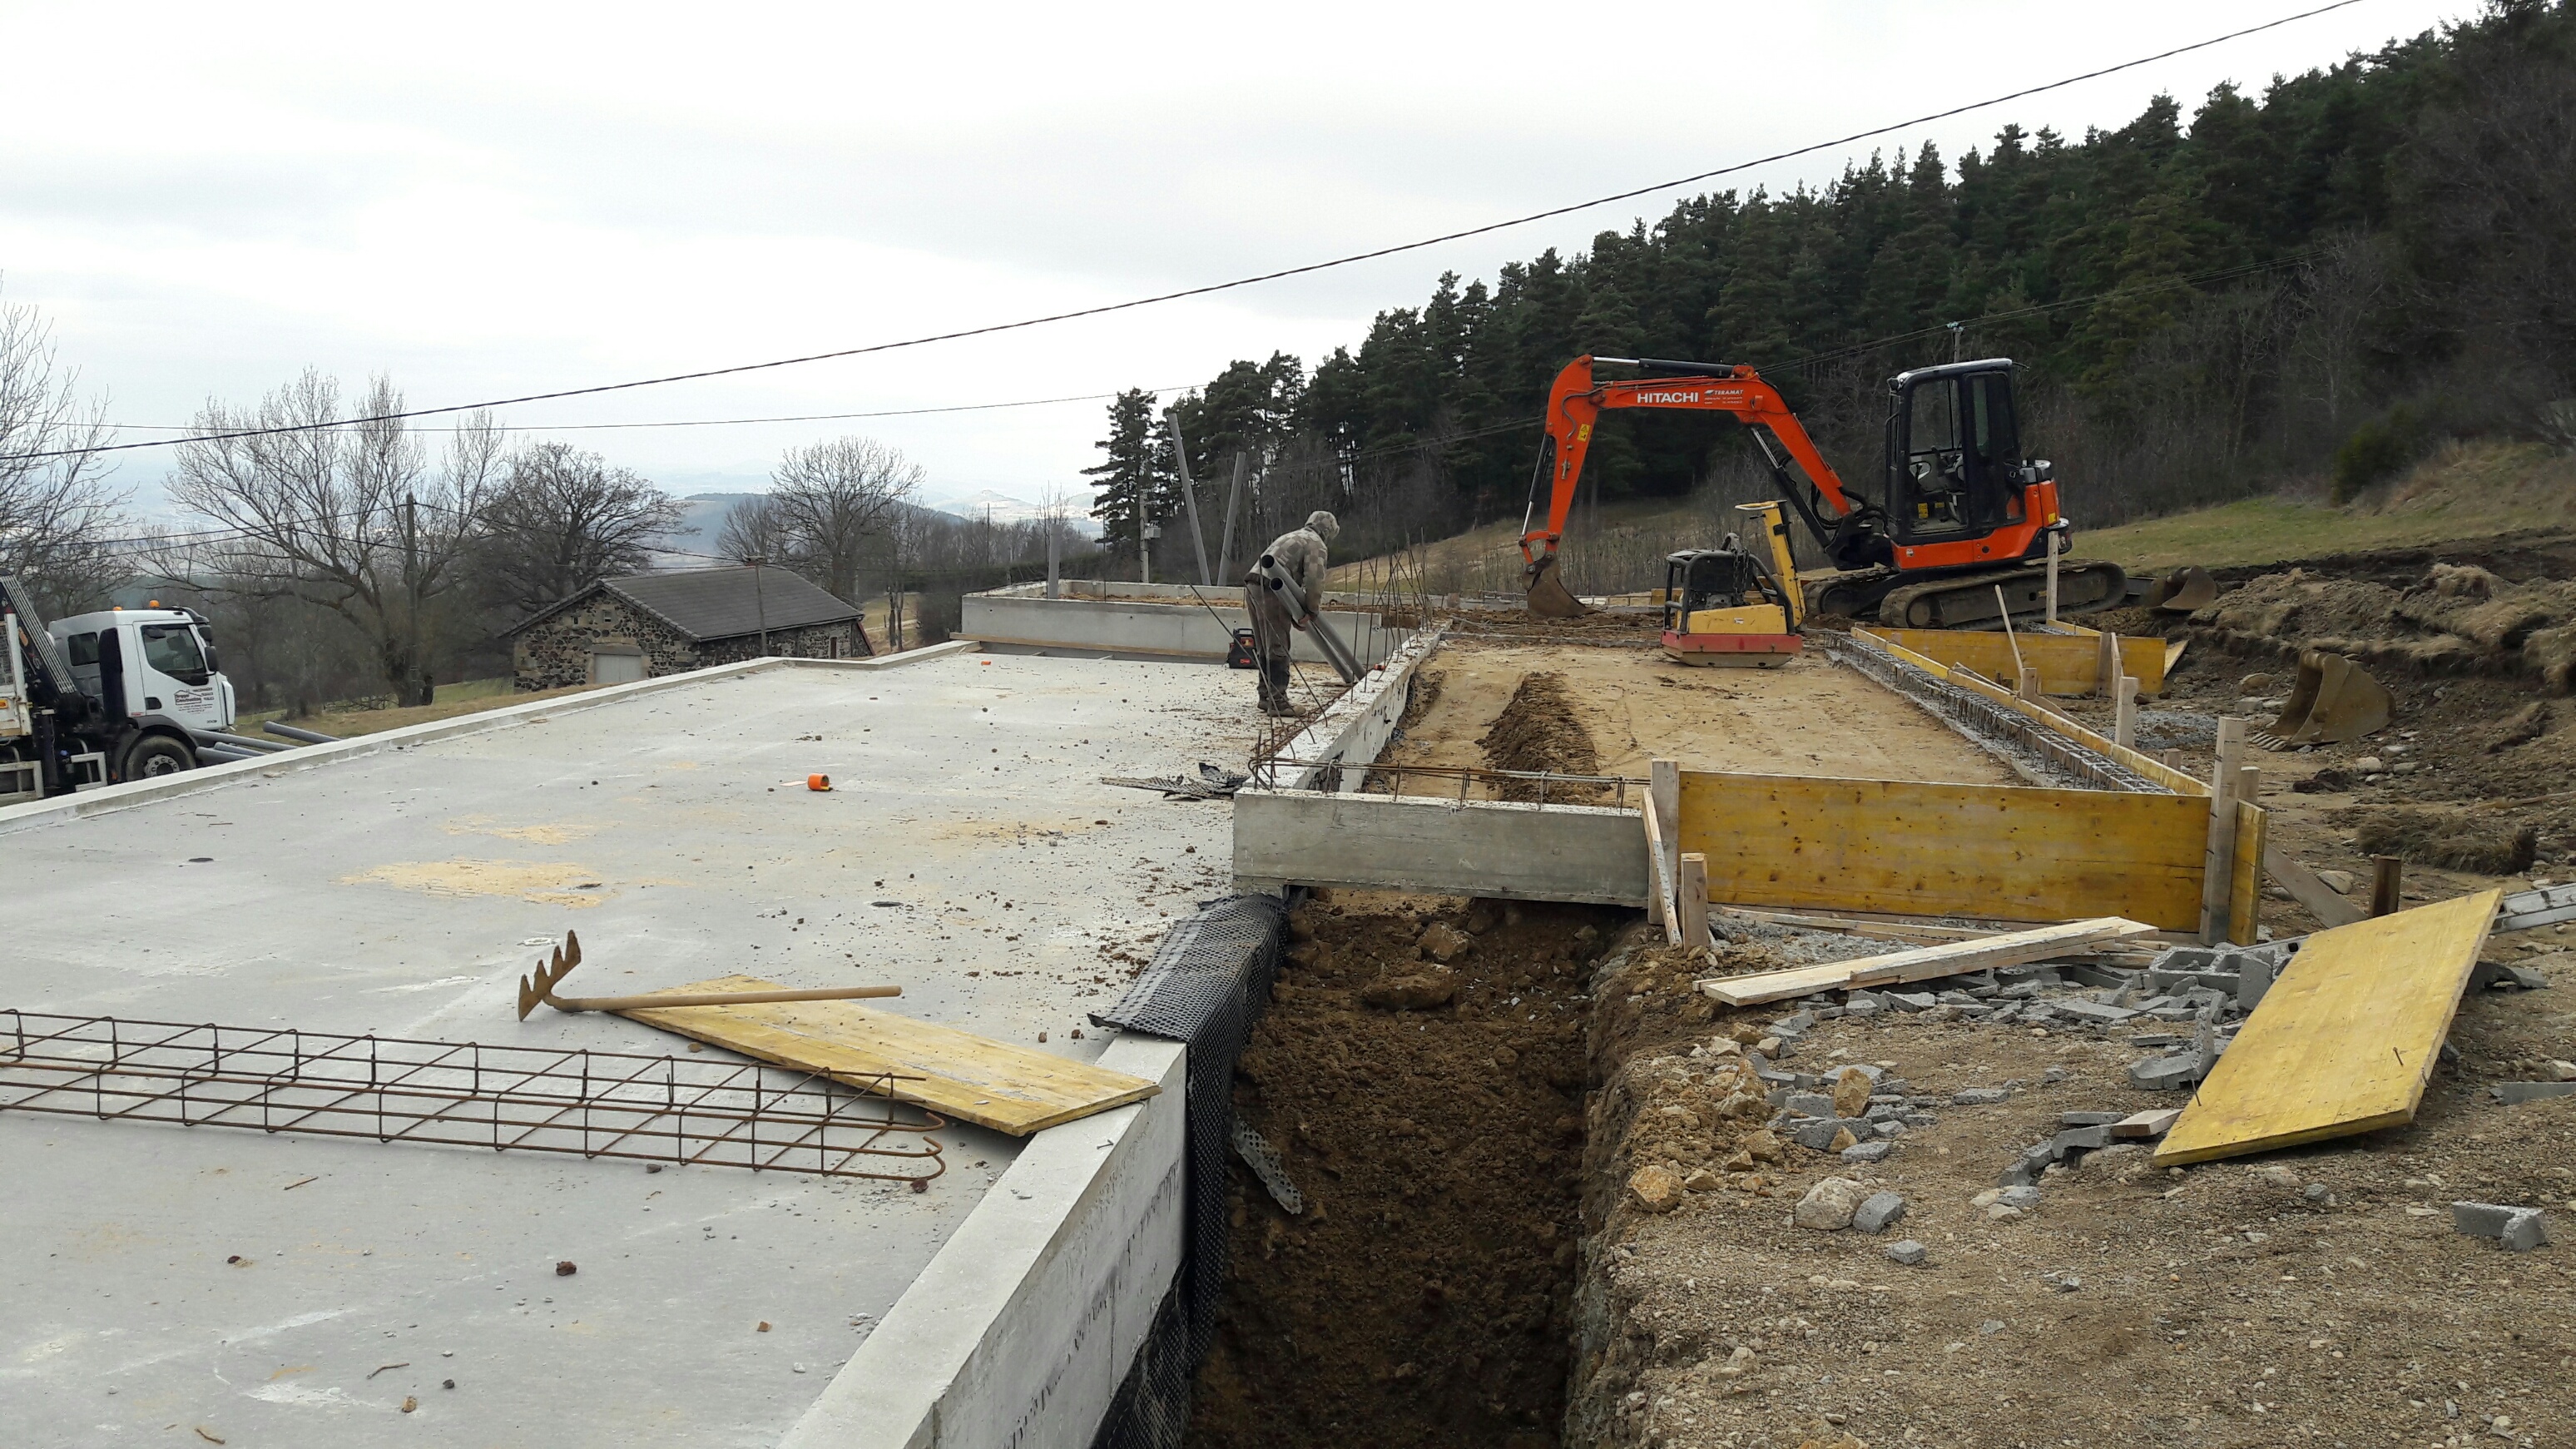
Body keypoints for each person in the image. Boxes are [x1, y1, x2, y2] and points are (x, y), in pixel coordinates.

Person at [1241, 510, 1338, 716]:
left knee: (1264, 645)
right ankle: (1278, 702)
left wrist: (1296, 609)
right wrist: (1311, 610)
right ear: (1328, 531)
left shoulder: (1291, 536)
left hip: (1253, 584)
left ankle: (1265, 696)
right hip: (1272, 588)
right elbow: (1314, 580)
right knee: (1277, 646)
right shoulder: (1316, 544)